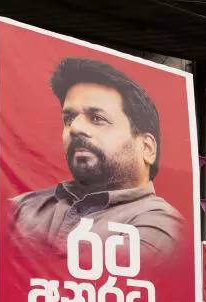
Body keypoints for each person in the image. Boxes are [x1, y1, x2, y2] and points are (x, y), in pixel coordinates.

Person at [10, 57, 183, 263]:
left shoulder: (162, 226)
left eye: (97, 118)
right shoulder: (22, 208)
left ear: (146, 148)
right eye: (69, 118)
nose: (75, 128)